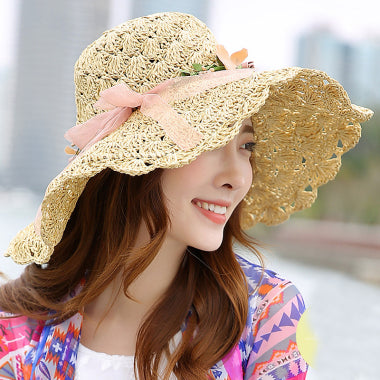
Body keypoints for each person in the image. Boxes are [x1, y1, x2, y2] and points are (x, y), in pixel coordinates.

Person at [0, 12, 373, 380]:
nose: (237, 177)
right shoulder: (19, 325)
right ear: (135, 162)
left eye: (247, 145)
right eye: (210, 142)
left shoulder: (265, 315)